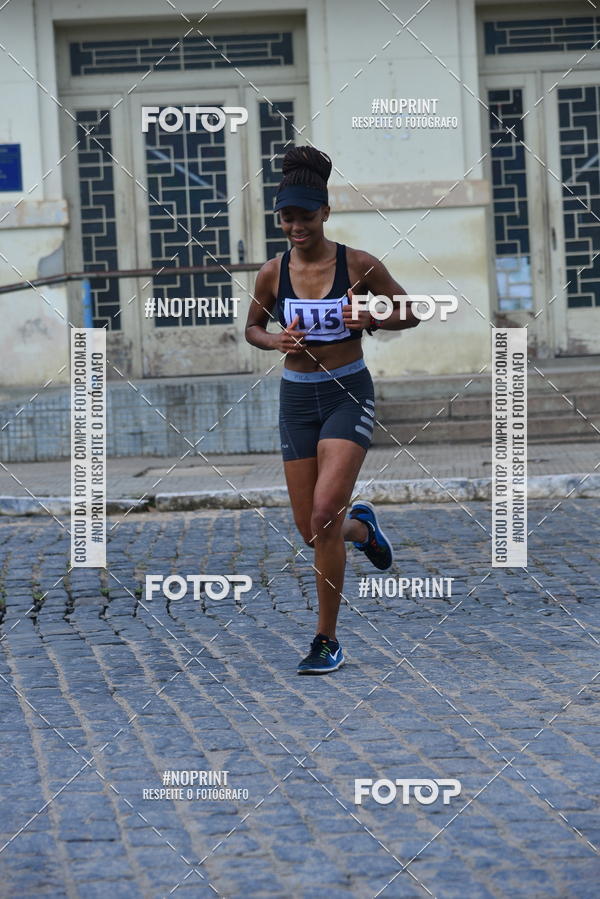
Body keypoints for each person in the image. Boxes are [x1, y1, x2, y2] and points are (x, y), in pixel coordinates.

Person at [245, 146, 420, 675]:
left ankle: (326, 640)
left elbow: (410, 311)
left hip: (347, 393)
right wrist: (276, 341)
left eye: (305, 215)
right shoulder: (272, 273)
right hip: (297, 399)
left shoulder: (359, 265)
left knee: (324, 514)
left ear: (325, 212)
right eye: (287, 217)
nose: (296, 226)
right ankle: (361, 530)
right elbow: (252, 328)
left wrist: (371, 316)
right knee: (312, 530)